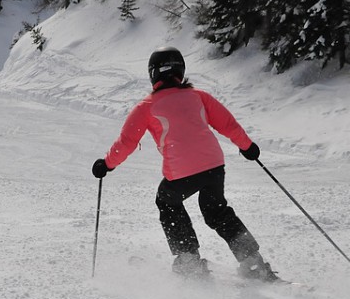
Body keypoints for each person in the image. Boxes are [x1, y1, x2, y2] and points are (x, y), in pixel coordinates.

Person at [92, 46, 278, 282]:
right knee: (217, 211)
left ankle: (188, 259)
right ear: (180, 70)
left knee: (167, 201)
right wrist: (247, 146)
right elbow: (228, 124)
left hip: (180, 172)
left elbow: (127, 142)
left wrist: (107, 164)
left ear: (153, 74)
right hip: (214, 165)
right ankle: (253, 262)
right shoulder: (199, 96)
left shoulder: (146, 106)